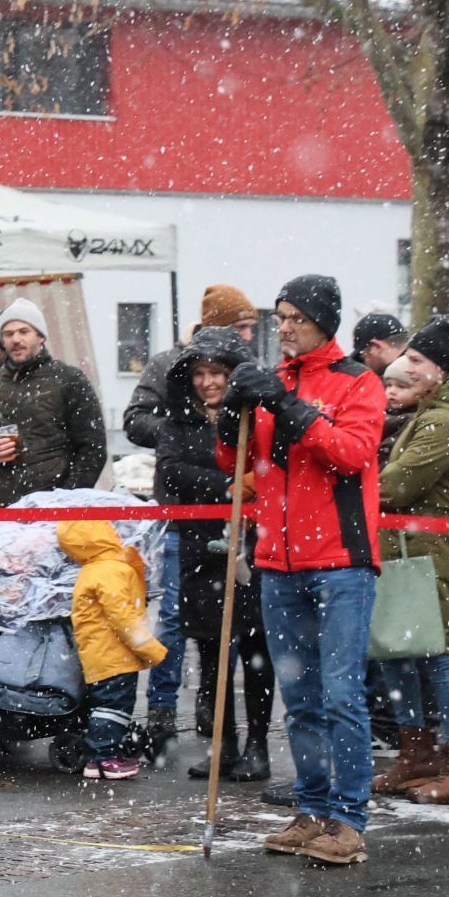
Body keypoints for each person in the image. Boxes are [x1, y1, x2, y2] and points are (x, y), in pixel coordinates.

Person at [220, 274, 383, 865]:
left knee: (342, 695)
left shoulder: (357, 380)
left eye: (295, 317)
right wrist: (226, 418)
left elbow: (350, 454)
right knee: (302, 697)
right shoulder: (276, 381)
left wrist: (285, 406)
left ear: (323, 321)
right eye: (280, 316)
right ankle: (312, 809)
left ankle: (348, 820)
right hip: (277, 561)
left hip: (340, 561)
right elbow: (238, 461)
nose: (283, 327)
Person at [155, 327, 272, 782]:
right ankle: (222, 745)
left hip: (253, 544)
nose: (208, 382)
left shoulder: (257, 415)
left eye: (218, 372)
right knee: (211, 652)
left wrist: (249, 486)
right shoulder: (178, 422)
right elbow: (171, 473)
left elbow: (268, 465)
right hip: (201, 545)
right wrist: (225, 486)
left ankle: (258, 746)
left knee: (255, 649)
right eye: (200, 373)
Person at [371, 316, 449, 803]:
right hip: (410, 559)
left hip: (434, 562)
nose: (406, 366)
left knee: (440, 659)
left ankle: (437, 756)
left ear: (442, 370)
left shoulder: (443, 421)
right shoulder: (427, 414)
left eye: (418, 360)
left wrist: (351, 488)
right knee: (402, 657)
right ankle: (416, 755)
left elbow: (394, 487)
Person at [0, 297, 107, 507]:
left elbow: (92, 448)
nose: (16, 339)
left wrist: (67, 499)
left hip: (56, 506)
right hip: (4, 506)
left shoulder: (69, 379)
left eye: (23, 332)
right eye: (8, 334)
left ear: (41, 337)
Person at [62, 520, 169, 781]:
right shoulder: (110, 570)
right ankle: (103, 758)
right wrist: (150, 648)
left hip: (103, 652)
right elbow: (123, 617)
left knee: (109, 704)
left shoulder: (96, 568)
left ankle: (103, 755)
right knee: (113, 706)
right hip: (115, 653)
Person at [123, 284, 260, 450]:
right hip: (180, 469)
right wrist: (181, 434)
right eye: (240, 327)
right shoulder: (166, 364)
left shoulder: (253, 368)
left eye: (250, 327)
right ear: (215, 327)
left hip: (238, 471)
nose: (248, 336)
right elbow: (136, 421)